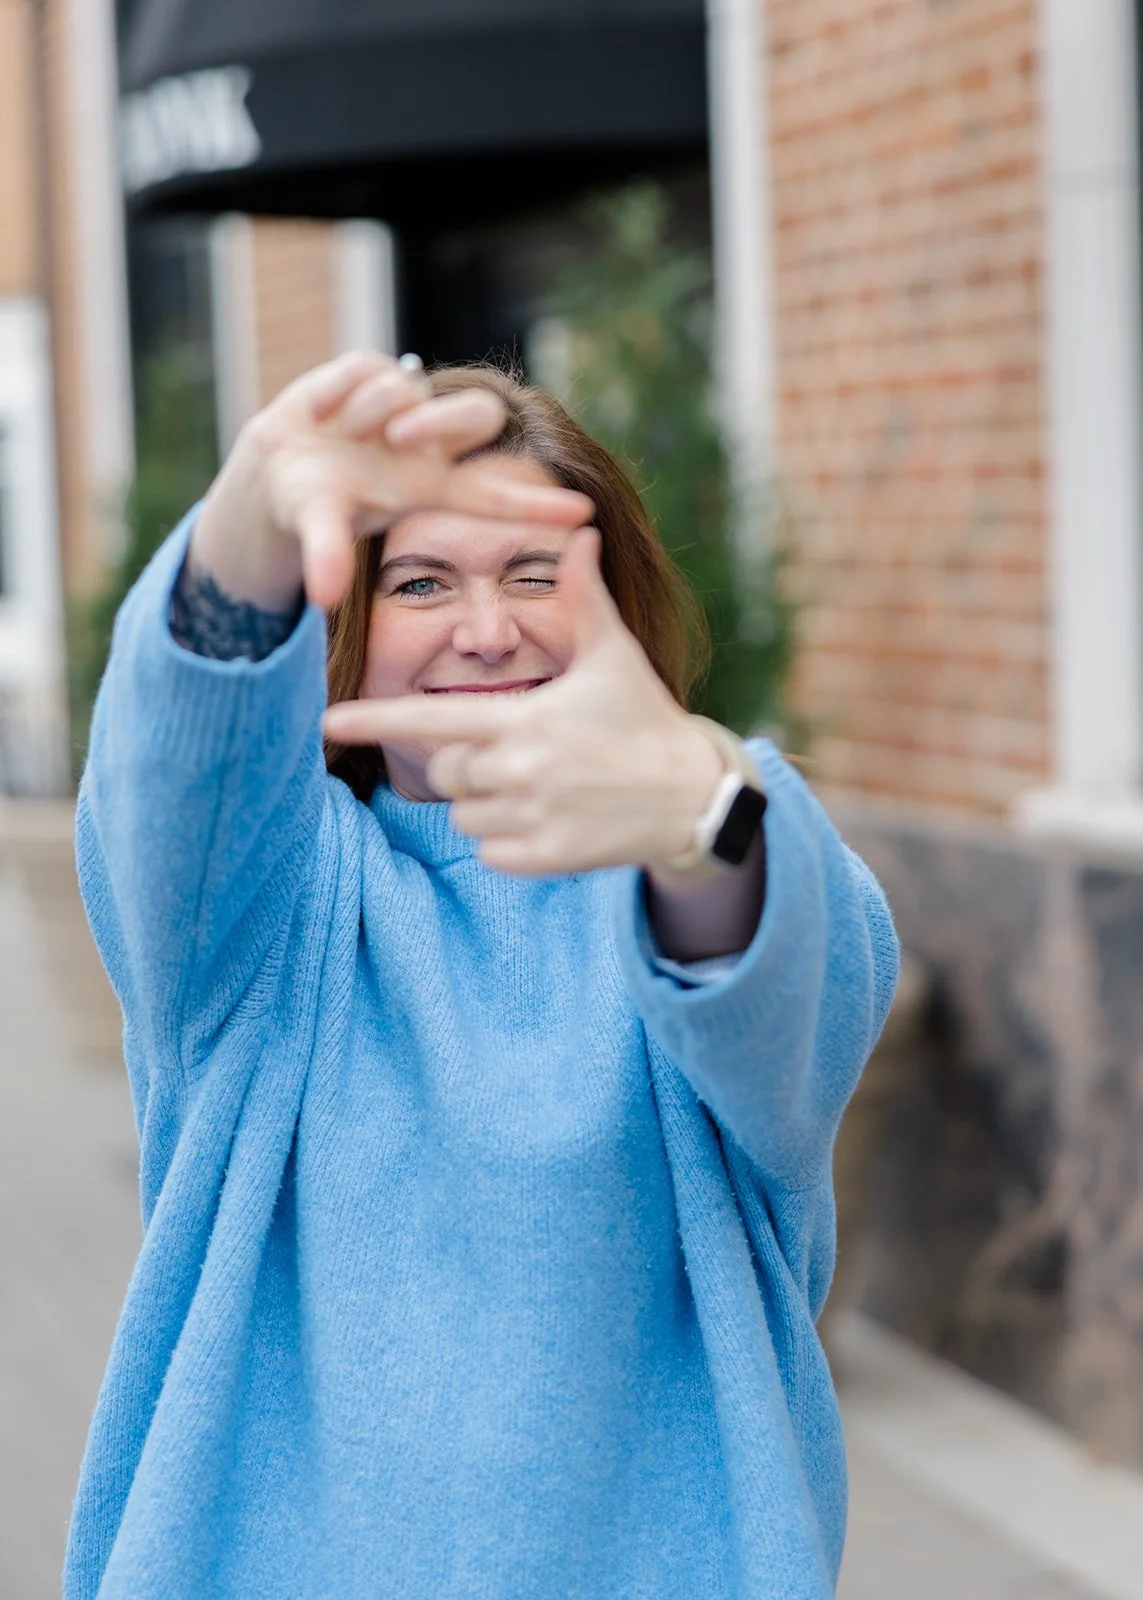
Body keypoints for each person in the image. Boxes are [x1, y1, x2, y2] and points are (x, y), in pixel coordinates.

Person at [66, 352, 898, 1600]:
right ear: (346, 621)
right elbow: (176, 779)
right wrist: (250, 521)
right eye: (421, 581)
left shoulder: (706, 844)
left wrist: (692, 806)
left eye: (536, 573)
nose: (490, 628)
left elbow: (793, 1002)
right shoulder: (265, 912)